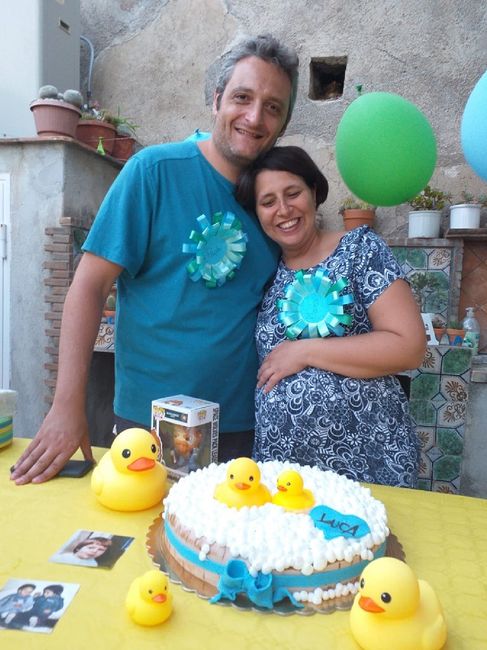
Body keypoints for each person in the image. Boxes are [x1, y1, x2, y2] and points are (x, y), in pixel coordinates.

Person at [11, 34, 299, 484]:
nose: (254, 117)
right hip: (148, 428)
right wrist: (66, 406)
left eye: (273, 107)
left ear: (282, 125)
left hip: (242, 428)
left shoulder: (273, 204)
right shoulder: (154, 172)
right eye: (242, 97)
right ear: (217, 100)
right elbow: (89, 285)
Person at [235, 146, 426, 487]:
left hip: (367, 464)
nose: (283, 210)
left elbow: (409, 347)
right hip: (283, 472)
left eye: (293, 193)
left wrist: (306, 351)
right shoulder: (264, 273)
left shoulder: (360, 250)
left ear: (314, 192)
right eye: (268, 202)